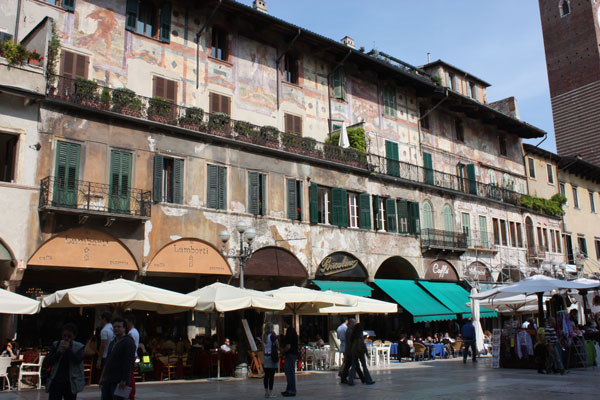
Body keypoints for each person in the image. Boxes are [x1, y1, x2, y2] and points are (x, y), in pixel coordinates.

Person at [45, 323, 85, 400]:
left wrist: (68, 350)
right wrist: (60, 352)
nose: (66, 338)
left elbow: (77, 360)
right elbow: (49, 360)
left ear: (74, 336)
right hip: (56, 380)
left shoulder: (79, 347)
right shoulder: (56, 345)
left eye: (69, 336)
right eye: (64, 336)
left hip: (70, 382)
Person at [100, 317, 136, 400]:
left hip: (119, 379)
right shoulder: (113, 342)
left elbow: (129, 361)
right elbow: (108, 360)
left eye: (119, 327)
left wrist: (125, 379)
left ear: (124, 328)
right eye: (114, 327)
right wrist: (102, 376)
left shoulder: (128, 341)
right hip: (108, 379)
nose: (116, 328)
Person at [281, 318, 298, 397]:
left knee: (290, 373)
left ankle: (292, 390)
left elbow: (288, 346)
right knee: (288, 373)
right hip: (293, 354)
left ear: (285, 322)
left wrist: (283, 352)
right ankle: (288, 389)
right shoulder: (292, 330)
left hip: (290, 354)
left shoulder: (289, 331)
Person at [124, 313, 139, 400]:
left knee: (130, 375)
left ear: (130, 322)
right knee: (130, 375)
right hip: (133, 355)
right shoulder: (133, 331)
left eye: (126, 322)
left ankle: (131, 394)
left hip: (131, 356)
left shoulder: (132, 333)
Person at [262, 323, 278, 398]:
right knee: (271, 376)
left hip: (266, 356)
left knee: (266, 375)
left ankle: (266, 392)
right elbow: (277, 345)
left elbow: (263, 348)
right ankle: (271, 392)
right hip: (271, 356)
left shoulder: (264, 336)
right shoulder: (272, 336)